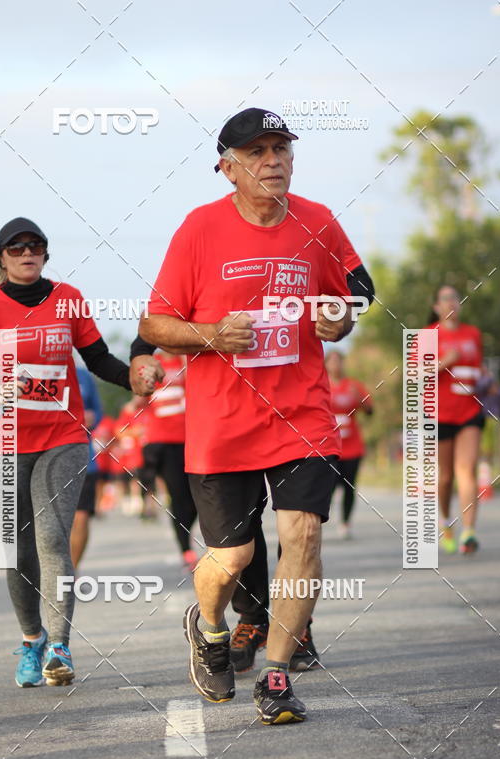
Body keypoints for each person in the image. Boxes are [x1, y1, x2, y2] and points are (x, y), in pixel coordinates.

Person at [139, 107, 361, 724]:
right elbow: (153, 325)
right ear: (227, 168)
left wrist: (340, 318)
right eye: (258, 152)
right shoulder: (199, 230)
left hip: (302, 414)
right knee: (232, 559)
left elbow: (354, 296)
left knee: (304, 535)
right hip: (223, 425)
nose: (273, 161)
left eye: (281, 148)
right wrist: (210, 336)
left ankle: (276, 673)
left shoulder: (318, 223)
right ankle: (208, 626)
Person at [0, 217, 150, 688]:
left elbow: (97, 358)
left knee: (53, 538)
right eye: (15, 248)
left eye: (34, 245)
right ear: (1, 258)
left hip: (63, 435)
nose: (26, 253)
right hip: (1, 440)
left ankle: (60, 647)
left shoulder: (68, 299)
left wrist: (133, 380)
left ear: (45, 253)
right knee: (13, 551)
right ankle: (31, 638)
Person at [429, 285, 483, 554]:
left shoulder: (473, 334)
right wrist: (444, 362)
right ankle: (446, 522)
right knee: (446, 476)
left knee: (467, 469)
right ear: (437, 306)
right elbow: (415, 376)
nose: (452, 302)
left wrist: (488, 382)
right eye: (446, 298)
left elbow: (477, 367)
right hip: (440, 414)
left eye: (455, 298)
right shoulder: (427, 336)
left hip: (470, 410)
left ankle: (469, 532)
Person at [138, 351, 199, 569]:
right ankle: (186, 550)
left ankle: (188, 534)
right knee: (179, 497)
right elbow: (138, 397)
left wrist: (185, 361)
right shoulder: (152, 363)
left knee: (199, 498)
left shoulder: (188, 360)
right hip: (163, 441)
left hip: (193, 438)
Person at [326, 349, 373, 539]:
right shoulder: (321, 385)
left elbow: (370, 411)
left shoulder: (353, 385)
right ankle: (319, 521)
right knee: (326, 486)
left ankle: (345, 523)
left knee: (349, 487)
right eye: (333, 361)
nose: (336, 365)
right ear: (326, 364)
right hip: (328, 447)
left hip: (352, 447)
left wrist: (359, 399)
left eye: (339, 361)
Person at [70, 365, 103, 569]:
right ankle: (54, 567)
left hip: (84, 459)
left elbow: (97, 412)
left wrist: (92, 418)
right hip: (45, 461)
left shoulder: (83, 375)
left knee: (81, 518)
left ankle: (70, 570)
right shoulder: (29, 371)